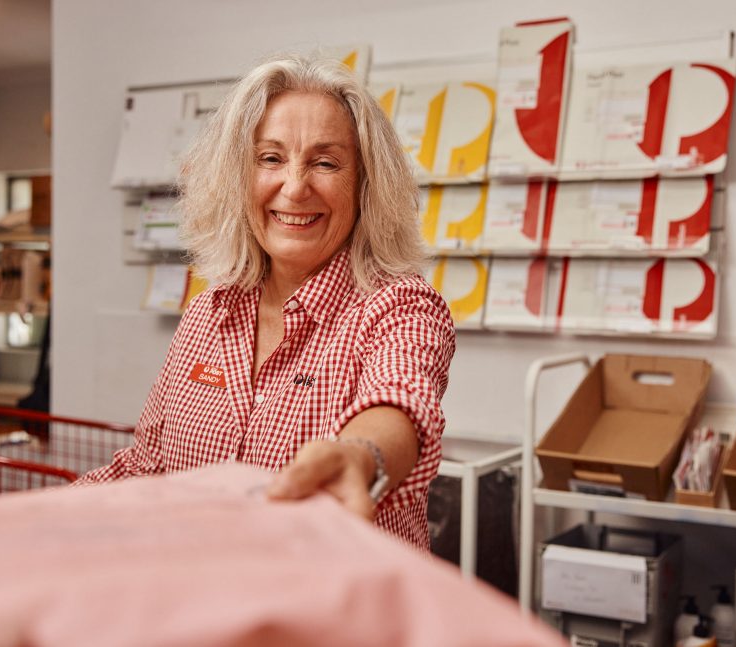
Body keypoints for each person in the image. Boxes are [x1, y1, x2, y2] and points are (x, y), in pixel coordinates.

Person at [76, 53, 455, 550]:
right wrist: (29, 521)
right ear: (238, 176)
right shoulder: (209, 311)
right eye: (270, 159)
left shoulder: (401, 306)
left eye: (325, 162)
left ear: (366, 185)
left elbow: (400, 399)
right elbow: (148, 468)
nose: (294, 188)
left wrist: (360, 456)